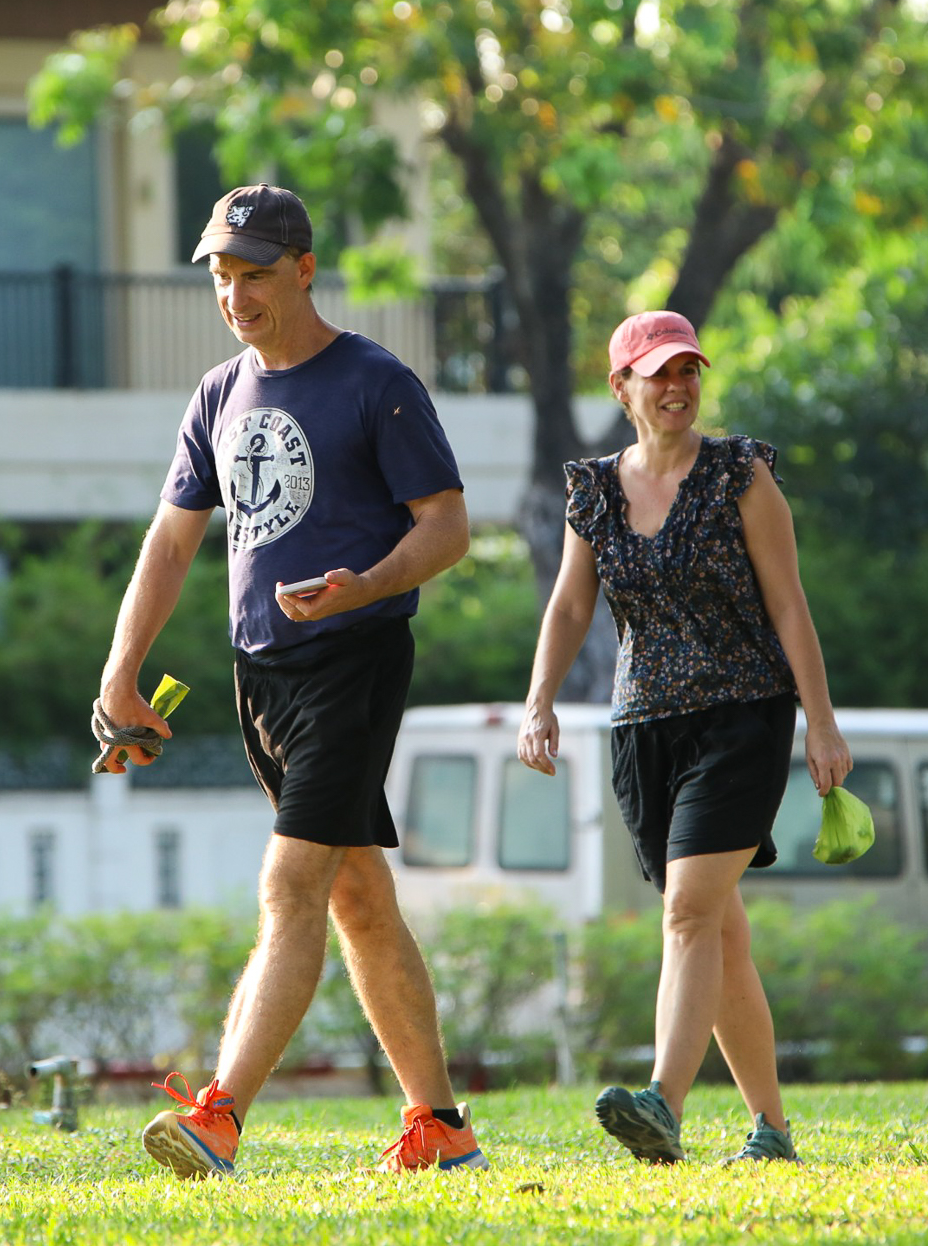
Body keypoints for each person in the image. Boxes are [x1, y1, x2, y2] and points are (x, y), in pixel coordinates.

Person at [95, 184, 487, 1177]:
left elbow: (446, 526)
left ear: (304, 270)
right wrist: (119, 673)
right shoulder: (218, 396)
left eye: (254, 276)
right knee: (354, 893)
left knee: (291, 882)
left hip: (353, 661)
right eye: (222, 278)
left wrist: (368, 581)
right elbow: (173, 543)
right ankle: (439, 1129)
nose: (235, 296)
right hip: (257, 676)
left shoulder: (375, 380)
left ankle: (218, 1117)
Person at [516, 309, 851, 1165]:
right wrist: (539, 699)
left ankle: (663, 1099)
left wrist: (821, 720)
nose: (677, 387)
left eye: (689, 371)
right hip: (642, 728)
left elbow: (789, 604)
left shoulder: (740, 473)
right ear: (621, 385)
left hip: (743, 714)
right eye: (658, 373)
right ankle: (771, 1129)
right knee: (720, 932)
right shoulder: (593, 488)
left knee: (689, 910)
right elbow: (569, 603)